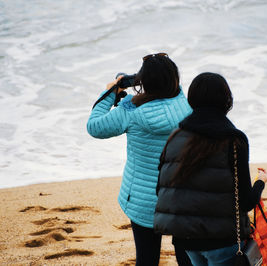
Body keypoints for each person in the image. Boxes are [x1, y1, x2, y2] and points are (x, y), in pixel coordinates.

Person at [87, 53, 192, 266]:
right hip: (182, 199)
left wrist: (111, 92)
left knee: (147, 259)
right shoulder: (186, 104)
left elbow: (94, 126)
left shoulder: (130, 110)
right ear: (174, 79)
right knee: (187, 259)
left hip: (144, 202)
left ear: (144, 82)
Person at [154, 72, 267, 266]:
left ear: (192, 100)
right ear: (226, 100)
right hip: (223, 239)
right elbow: (246, 201)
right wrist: (260, 182)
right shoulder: (234, 140)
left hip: (186, 238)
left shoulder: (175, 137)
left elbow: (162, 190)